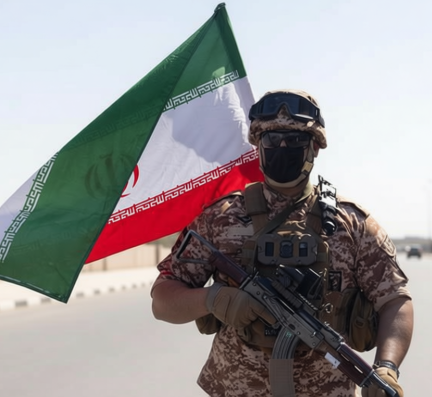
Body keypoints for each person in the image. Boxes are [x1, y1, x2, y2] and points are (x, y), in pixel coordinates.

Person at [151, 89, 414, 397]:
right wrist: (213, 299)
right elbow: (162, 301)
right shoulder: (219, 218)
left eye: (296, 140)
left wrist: (386, 367)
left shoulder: (352, 224)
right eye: (272, 140)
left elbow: (395, 301)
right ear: (258, 146)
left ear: (315, 147)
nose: (283, 148)